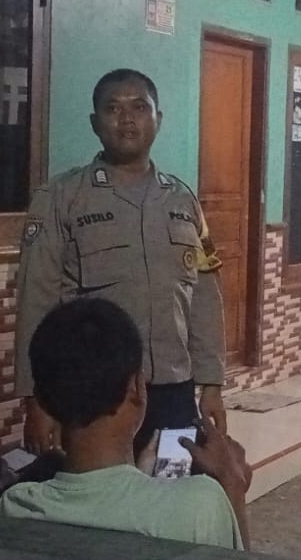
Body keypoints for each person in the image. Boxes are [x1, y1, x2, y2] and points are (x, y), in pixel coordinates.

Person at [14, 68, 226, 458]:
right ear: (95, 123)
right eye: (113, 109)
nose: (127, 119)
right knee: (99, 492)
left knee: (171, 485)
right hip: (94, 395)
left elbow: (204, 298)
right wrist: (36, 398)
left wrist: (211, 383)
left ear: (158, 119)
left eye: (139, 108)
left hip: (173, 391)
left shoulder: (183, 200)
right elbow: (36, 302)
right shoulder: (62, 198)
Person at [0, 298, 250, 548]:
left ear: (42, 401)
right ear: (136, 389)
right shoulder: (199, 505)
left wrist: (139, 476)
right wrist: (233, 488)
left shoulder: (16, 505)